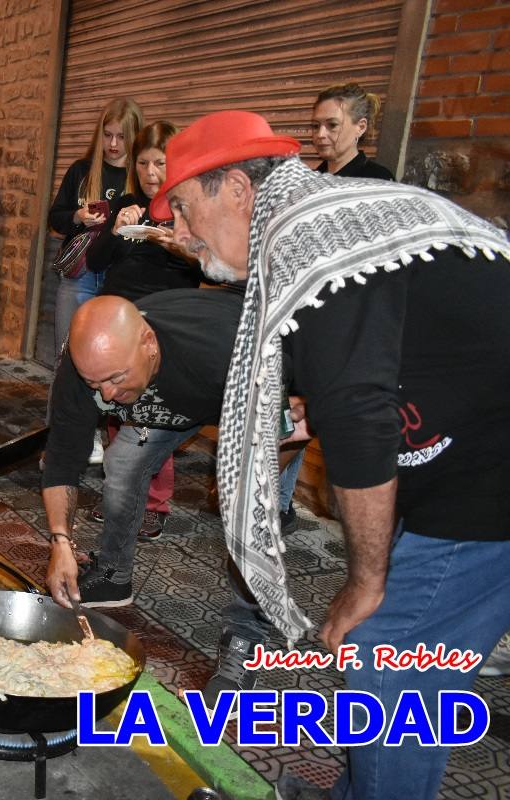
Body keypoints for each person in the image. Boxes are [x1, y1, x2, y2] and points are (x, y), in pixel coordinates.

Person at [151, 109, 510, 800]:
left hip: (488, 472)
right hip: (467, 446)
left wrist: (365, 580)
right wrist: (320, 409)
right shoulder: (325, 216)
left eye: (187, 208)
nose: (182, 233)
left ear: (238, 189)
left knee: (389, 663)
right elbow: (405, 351)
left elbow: (361, 416)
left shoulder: (310, 237)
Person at [43, 290, 242, 608]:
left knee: (249, 503)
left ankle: (248, 626)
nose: (106, 396)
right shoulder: (84, 364)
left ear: (149, 344)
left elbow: (290, 424)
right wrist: (60, 542)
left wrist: (245, 475)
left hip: (247, 394)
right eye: (96, 385)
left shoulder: (225, 351)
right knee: (123, 462)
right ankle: (114, 578)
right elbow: (61, 460)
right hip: (171, 399)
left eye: (115, 378)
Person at [276, 84, 397, 534]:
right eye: (316, 125)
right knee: (290, 412)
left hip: (347, 319)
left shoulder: (377, 179)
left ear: (360, 128)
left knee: (322, 412)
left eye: (332, 125)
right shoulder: (306, 178)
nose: (320, 134)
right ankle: (279, 505)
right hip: (301, 313)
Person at [84, 120, 201, 539]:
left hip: (163, 327)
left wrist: (180, 247)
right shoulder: (129, 205)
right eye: (145, 163)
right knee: (118, 410)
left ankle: (155, 502)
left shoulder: (190, 208)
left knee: (155, 414)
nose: (152, 173)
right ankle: (119, 492)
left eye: (160, 164)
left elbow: (207, 267)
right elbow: (96, 262)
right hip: (120, 322)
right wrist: (114, 232)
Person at [47, 98, 144, 357]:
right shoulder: (81, 170)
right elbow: (55, 218)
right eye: (108, 135)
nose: (113, 144)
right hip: (80, 276)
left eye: (122, 137)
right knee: (67, 357)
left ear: (135, 137)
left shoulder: (141, 177)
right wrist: (77, 217)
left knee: (108, 360)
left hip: (120, 278)